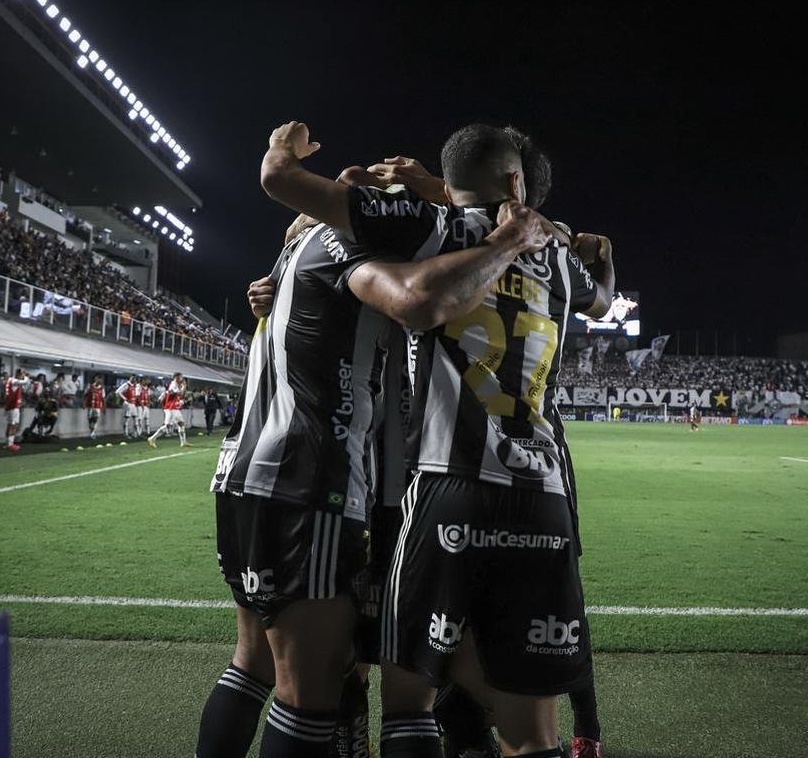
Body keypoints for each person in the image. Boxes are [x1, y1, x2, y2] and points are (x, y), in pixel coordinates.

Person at [257, 121, 613, 758]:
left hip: (445, 488)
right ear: (515, 181)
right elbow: (602, 297)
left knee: (408, 698)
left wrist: (291, 150)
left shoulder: (433, 230)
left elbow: (288, 189)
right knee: (535, 733)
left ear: (448, 185)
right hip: (543, 495)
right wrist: (601, 253)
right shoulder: (558, 252)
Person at [147, 374, 189, 448]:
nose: (182, 379)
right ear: (176, 378)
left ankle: (183, 442)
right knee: (168, 426)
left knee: (181, 423)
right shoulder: (173, 384)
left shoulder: (178, 385)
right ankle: (152, 438)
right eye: (180, 377)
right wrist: (184, 387)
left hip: (175, 408)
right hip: (170, 408)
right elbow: (178, 393)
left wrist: (183, 387)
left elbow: (181, 395)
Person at [2, 368, 32, 451]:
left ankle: (7, 443)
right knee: (13, 425)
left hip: (10, 406)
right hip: (13, 407)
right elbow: (26, 381)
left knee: (10, 424)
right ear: (19, 374)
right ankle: (10, 444)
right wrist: (27, 376)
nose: (23, 376)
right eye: (22, 374)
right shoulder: (14, 381)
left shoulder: (11, 380)